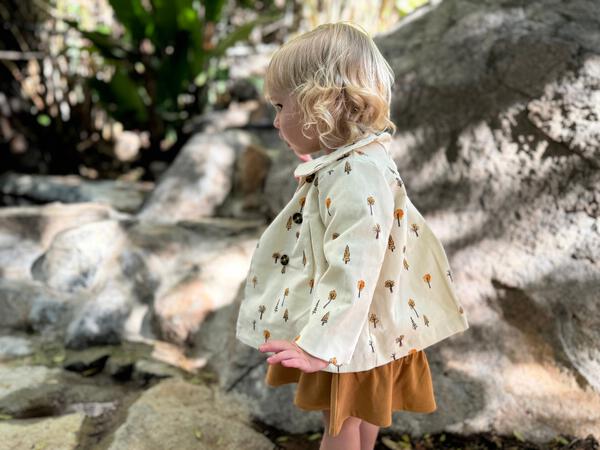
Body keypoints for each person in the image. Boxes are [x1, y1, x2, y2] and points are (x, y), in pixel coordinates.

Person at [235, 22, 469, 450]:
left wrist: (321, 346)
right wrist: (319, 165)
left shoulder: (353, 176)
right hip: (374, 325)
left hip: (347, 330)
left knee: (339, 426)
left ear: (316, 105)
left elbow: (354, 263)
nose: (275, 120)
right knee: (360, 416)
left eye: (280, 105)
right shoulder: (363, 158)